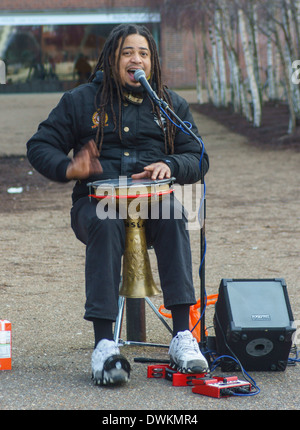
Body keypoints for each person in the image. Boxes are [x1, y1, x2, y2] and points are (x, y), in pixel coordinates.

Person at [26, 24, 210, 386]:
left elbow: (198, 156)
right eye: (127, 52)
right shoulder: (80, 100)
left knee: (174, 212)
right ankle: (104, 346)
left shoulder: (170, 104)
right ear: (111, 58)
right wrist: (68, 167)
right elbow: (39, 145)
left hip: (152, 206)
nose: (136, 59)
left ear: (152, 61)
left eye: (143, 53)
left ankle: (181, 338)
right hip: (96, 206)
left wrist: (171, 165)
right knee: (107, 221)